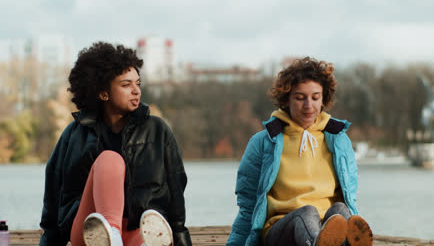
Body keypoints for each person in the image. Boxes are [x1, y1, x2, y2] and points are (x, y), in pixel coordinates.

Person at [40, 42, 192, 246]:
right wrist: (49, 241)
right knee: (110, 161)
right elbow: (53, 193)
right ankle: (111, 235)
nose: (136, 91)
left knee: (152, 225)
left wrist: (181, 237)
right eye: (126, 85)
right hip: (88, 232)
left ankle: (133, 242)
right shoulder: (75, 135)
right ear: (103, 93)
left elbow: (176, 191)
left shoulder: (158, 130)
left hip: (138, 230)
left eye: (138, 83)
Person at [227, 57, 373, 246]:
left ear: (323, 99)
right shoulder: (263, 142)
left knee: (341, 209)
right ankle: (318, 243)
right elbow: (247, 204)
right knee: (306, 212)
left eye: (315, 97)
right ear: (287, 99)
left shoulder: (339, 141)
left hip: (329, 226)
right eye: (299, 97)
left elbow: (349, 194)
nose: (308, 106)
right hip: (280, 229)